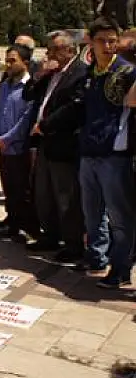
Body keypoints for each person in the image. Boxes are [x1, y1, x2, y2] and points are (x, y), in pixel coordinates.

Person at [23, 30, 87, 263]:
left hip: (63, 143)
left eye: (54, 49)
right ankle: (49, 236)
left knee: (65, 196)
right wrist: (40, 73)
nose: (49, 53)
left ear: (70, 50)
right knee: (44, 193)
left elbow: (74, 108)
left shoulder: (79, 72)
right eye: (48, 49)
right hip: (44, 143)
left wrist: (45, 125)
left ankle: (73, 245)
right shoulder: (51, 73)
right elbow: (27, 95)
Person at [83, 17, 136, 288]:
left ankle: (121, 270)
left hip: (115, 157)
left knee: (120, 218)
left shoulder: (127, 72)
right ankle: (97, 258)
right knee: (92, 214)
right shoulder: (90, 73)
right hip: (88, 155)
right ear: (90, 42)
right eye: (101, 40)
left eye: (112, 40)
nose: (107, 45)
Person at [0, 44, 41, 243]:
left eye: (13, 60)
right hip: (3, 147)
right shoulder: (4, 86)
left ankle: (29, 229)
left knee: (24, 190)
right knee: (9, 188)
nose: (8, 64)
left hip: (20, 147)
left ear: (25, 63)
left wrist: (9, 137)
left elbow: (26, 118)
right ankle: (12, 224)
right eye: (7, 60)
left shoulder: (31, 87)